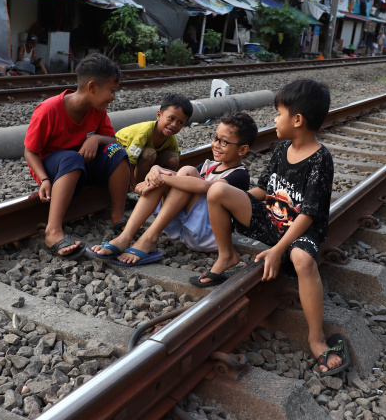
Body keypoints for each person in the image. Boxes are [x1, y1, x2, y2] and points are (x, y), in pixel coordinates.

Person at [200, 79, 347, 376]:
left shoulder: (320, 159)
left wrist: (279, 250)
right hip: (271, 219)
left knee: (303, 260)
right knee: (216, 191)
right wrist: (235, 198)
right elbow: (263, 191)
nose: (274, 120)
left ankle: (316, 338)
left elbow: (308, 215)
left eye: (278, 114)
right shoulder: (281, 150)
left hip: (299, 232)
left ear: (297, 119)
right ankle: (226, 255)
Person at [89, 112, 258, 265]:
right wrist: (156, 171)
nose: (216, 144)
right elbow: (178, 178)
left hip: (207, 235)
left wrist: (163, 178)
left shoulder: (240, 175)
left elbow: (204, 186)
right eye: (215, 138)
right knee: (175, 175)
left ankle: (149, 238)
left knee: (185, 172)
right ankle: (125, 237)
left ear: (242, 149)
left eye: (224, 142)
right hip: (184, 229)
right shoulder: (210, 165)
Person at [23, 54, 130, 257]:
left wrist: (96, 139)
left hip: (79, 166)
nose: (114, 97)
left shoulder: (97, 110)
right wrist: (44, 179)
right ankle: (53, 231)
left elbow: (113, 140)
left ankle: (117, 216)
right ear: (92, 88)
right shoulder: (48, 110)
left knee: (118, 152)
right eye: (112, 91)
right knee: (72, 158)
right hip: (54, 167)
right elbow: (30, 150)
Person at [115, 94, 193, 186]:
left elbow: (174, 161)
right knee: (150, 154)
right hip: (119, 149)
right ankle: (138, 185)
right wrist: (132, 186)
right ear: (159, 115)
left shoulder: (172, 140)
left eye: (180, 122)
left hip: (140, 156)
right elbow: (130, 161)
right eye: (171, 118)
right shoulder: (145, 132)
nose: (174, 125)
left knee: (173, 159)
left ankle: (160, 185)